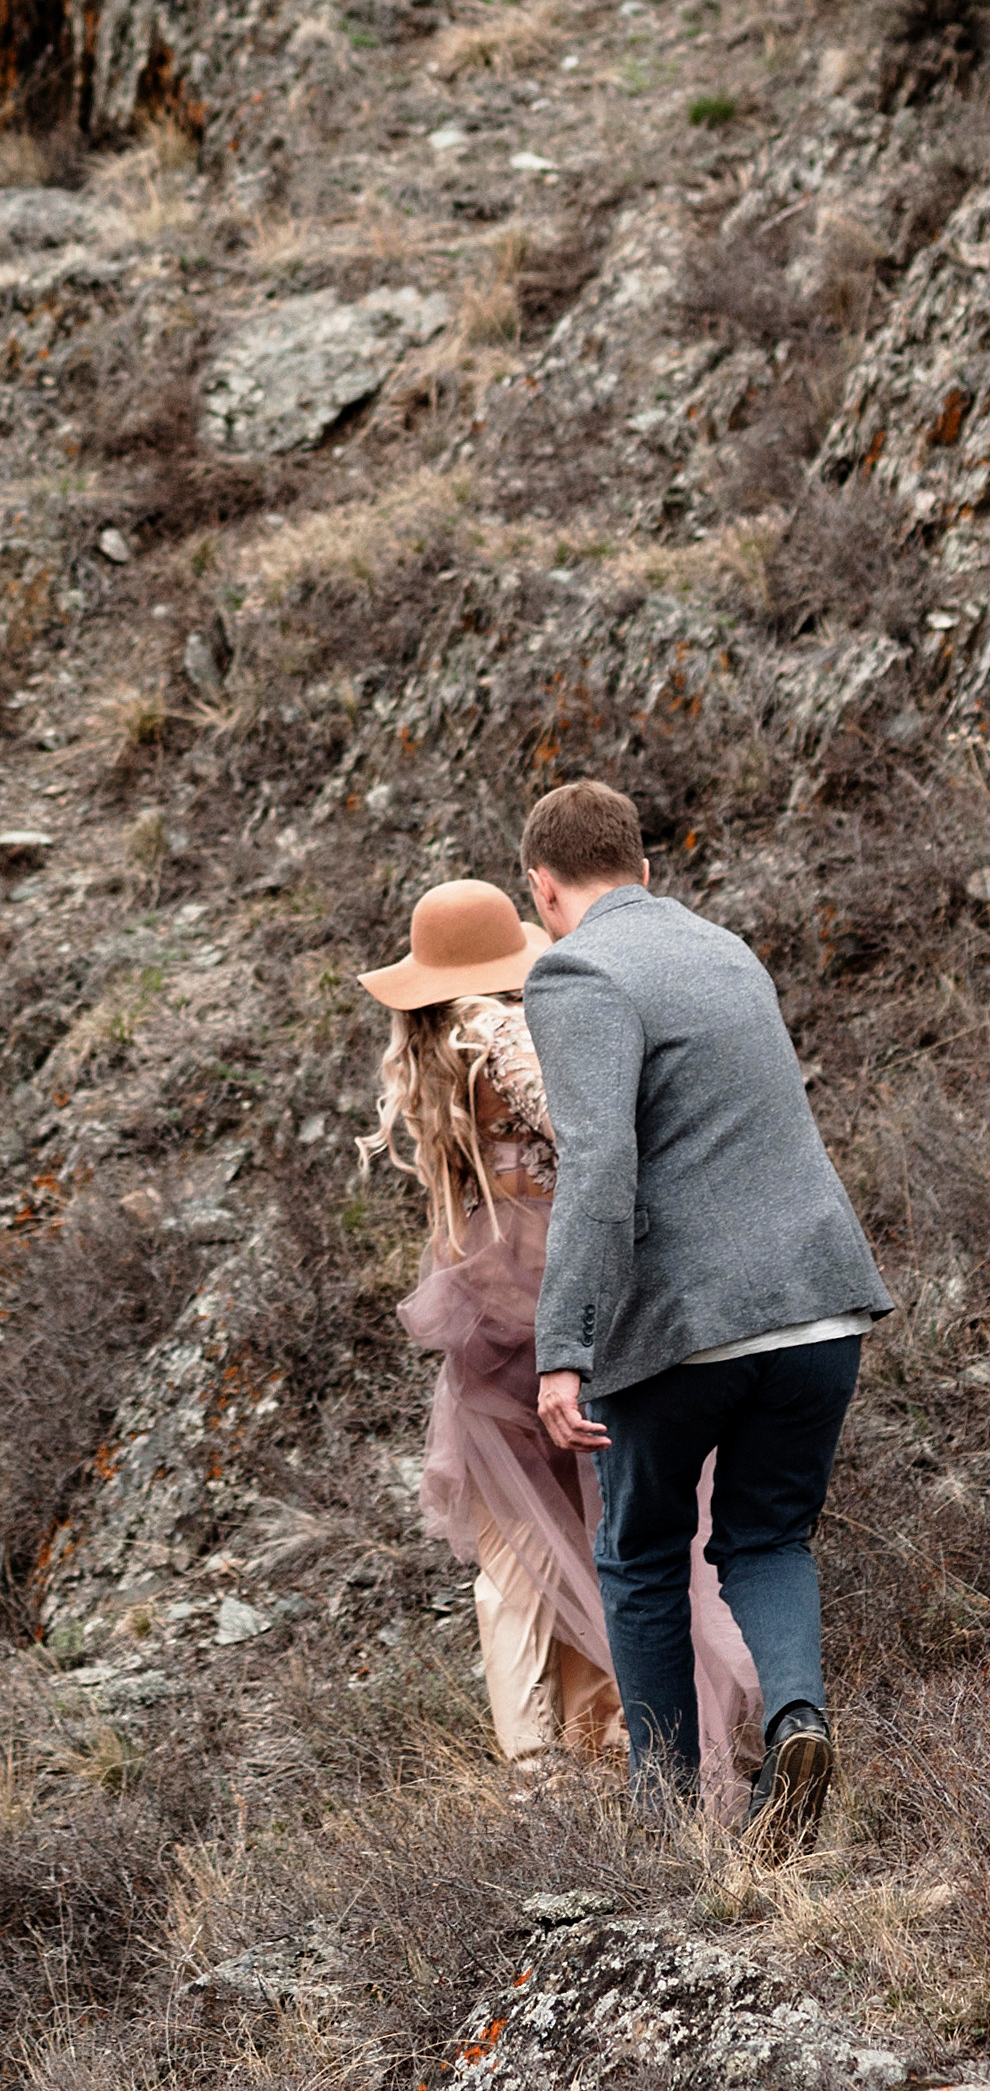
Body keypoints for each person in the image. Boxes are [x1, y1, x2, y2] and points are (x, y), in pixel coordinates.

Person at [523, 779, 892, 1846]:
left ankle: (667, 1823)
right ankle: (796, 1717)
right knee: (768, 1533)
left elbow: (599, 1168)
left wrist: (565, 1347)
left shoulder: (578, 969)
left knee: (639, 1553)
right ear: (643, 869)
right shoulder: (726, 946)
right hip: (821, 1304)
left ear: (544, 890)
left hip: (687, 1324)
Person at [359, 878, 754, 1775]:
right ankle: (604, 1741)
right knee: (606, 1525)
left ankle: (548, 1758)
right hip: (566, 1296)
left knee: (523, 1546)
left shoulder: (429, 1049)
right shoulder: (501, 1030)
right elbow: (592, 1140)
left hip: (488, 1304)